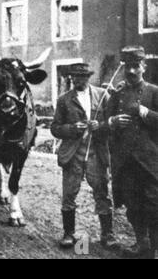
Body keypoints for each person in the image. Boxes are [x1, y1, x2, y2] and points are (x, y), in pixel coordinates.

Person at [51, 63, 117, 250]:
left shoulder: (102, 96)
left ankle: (107, 233)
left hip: (96, 153)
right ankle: (68, 234)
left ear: (89, 77)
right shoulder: (64, 100)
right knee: (69, 194)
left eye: (83, 77)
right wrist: (72, 129)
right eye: (76, 77)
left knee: (102, 193)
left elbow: (110, 124)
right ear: (71, 78)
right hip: (73, 155)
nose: (80, 80)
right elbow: (55, 128)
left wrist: (100, 125)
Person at [107, 46, 158, 259]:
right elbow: (103, 121)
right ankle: (141, 244)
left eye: (136, 66)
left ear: (143, 67)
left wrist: (146, 113)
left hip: (150, 162)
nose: (131, 71)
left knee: (154, 205)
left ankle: (154, 248)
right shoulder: (117, 94)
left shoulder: (154, 92)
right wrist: (113, 121)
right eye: (128, 67)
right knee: (133, 205)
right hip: (126, 162)